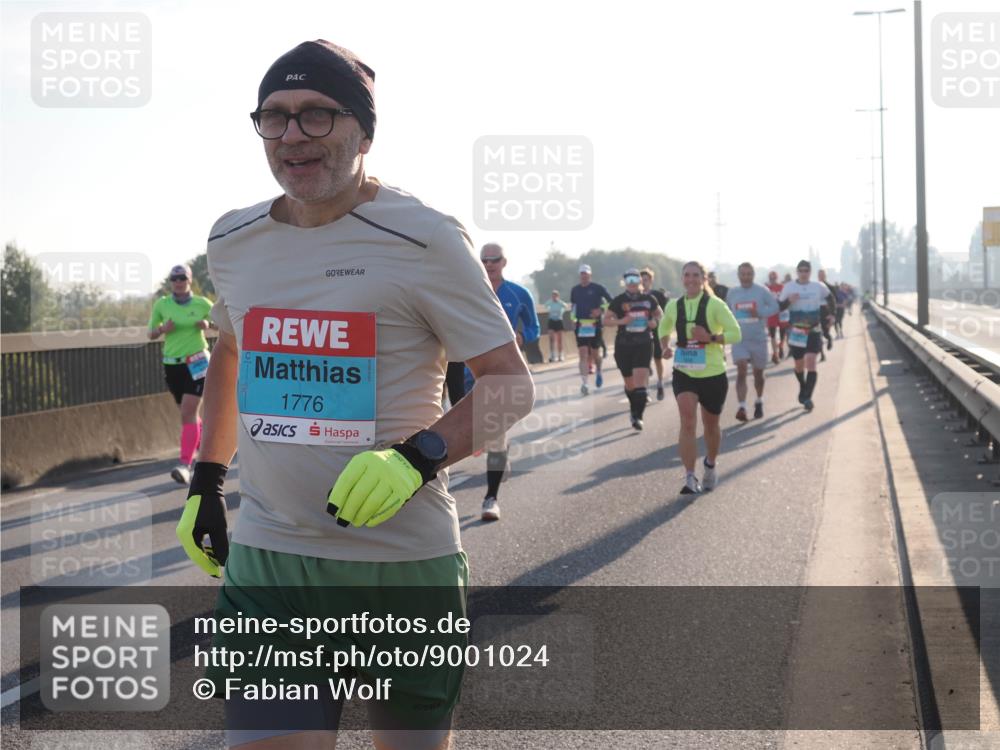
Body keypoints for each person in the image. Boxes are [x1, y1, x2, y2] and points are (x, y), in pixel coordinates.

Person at [176, 40, 534, 749]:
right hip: (269, 560)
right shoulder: (232, 238)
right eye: (275, 117)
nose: (292, 137)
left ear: (364, 132)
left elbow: (510, 385)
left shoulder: (424, 236)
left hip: (397, 569)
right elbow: (232, 349)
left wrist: (417, 457)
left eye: (317, 116)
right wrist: (208, 482)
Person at [658, 261, 741, 494]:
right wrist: (664, 346)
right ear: (682, 279)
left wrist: (711, 338)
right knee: (687, 420)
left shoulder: (716, 305)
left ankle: (710, 465)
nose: (691, 279)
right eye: (687, 275)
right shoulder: (674, 306)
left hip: (713, 373)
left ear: (703, 278)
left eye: (696, 275)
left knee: (711, 426)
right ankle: (689, 476)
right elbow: (662, 328)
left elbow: (736, 334)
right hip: (684, 371)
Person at [477, 242, 540, 521]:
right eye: (485, 260)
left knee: (495, 430)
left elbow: (534, 326)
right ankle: (500, 450)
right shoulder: (469, 289)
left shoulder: (518, 293)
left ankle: (490, 498)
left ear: (504, 262)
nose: (490, 264)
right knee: (484, 432)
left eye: (495, 259)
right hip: (468, 370)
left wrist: (523, 338)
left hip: (503, 370)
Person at [147, 263, 214, 485]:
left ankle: (185, 464)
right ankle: (206, 440)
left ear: (189, 280)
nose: (178, 282)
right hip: (172, 364)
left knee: (187, 411)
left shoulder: (202, 303)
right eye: (174, 279)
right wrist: (162, 330)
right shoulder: (162, 304)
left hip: (197, 362)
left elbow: (225, 324)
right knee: (189, 415)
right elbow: (150, 334)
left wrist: (208, 324)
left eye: (182, 278)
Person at [604, 268, 662, 429]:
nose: (632, 284)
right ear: (624, 283)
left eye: (634, 280)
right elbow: (606, 320)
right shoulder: (618, 301)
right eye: (628, 280)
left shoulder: (649, 299)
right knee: (630, 385)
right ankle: (633, 409)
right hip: (623, 345)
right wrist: (622, 322)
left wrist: (654, 323)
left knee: (640, 385)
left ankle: (638, 417)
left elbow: (659, 314)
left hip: (643, 343)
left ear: (640, 282)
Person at [778, 260, 835, 411]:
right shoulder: (789, 287)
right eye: (801, 271)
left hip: (814, 330)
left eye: (806, 271)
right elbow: (779, 306)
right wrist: (788, 301)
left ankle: (807, 397)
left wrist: (832, 315)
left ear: (810, 272)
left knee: (811, 362)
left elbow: (831, 298)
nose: (803, 273)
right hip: (797, 331)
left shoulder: (818, 286)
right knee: (799, 365)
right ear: (797, 272)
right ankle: (803, 387)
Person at [726, 263, 779, 421]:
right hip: (739, 339)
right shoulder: (732, 292)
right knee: (741, 369)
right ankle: (741, 406)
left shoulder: (762, 290)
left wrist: (760, 313)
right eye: (743, 274)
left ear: (753, 275)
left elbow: (775, 307)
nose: (746, 277)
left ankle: (759, 400)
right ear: (738, 275)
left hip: (758, 338)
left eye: (749, 274)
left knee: (758, 374)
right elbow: (727, 312)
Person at [570, 264, 613, 395]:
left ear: (590, 275)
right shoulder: (575, 290)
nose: (584, 276)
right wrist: (572, 319)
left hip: (595, 324)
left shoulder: (598, 288)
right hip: (581, 325)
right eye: (582, 274)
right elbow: (573, 306)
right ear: (580, 275)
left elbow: (611, 301)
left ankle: (599, 371)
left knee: (595, 354)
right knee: (582, 354)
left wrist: (601, 310)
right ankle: (584, 383)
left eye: (586, 274)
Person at [640, 267, 669, 401]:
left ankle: (660, 382)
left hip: (657, 330)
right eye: (641, 280)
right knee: (644, 361)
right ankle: (645, 390)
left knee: (658, 358)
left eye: (645, 280)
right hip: (641, 332)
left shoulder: (658, 295)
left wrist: (656, 321)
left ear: (651, 280)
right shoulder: (636, 296)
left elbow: (665, 314)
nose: (643, 282)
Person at [765, 270, 788, 364]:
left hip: (782, 313)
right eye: (771, 278)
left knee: (783, 333)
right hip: (771, 314)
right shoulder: (766, 289)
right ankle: (775, 354)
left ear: (777, 278)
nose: (772, 279)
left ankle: (781, 346)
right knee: (772, 335)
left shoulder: (782, 287)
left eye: (774, 278)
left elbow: (786, 299)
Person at [544, 290, 571, 362]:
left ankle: (560, 355)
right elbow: (545, 305)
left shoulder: (560, 303)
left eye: (555, 295)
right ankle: (553, 355)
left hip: (559, 320)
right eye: (553, 295)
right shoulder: (550, 302)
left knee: (559, 340)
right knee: (552, 339)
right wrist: (551, 301)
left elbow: (566, 306)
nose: (554, 297)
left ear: (558, 296)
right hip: (551, 321)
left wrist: (561, 310)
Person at [817, 269, 837, 358]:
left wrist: (832, 314)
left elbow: (833, 301)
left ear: (825, 276)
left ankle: (829, 338)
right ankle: (822, 354)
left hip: (826, 312)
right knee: (818, 334)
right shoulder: (815, 286)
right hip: (817, 312)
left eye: (822, 275)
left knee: (825, 332)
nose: (821, 276)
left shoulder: (830, 287)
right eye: (819, 275)